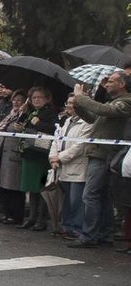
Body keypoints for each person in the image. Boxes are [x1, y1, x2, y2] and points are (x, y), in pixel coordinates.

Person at [70, 70, 131, 248]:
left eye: (111, 81)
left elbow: (104, 111)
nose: (107, 84)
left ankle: (88, 235)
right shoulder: (112, 101)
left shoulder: (126, 101)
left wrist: (81, 97)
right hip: (99, 153)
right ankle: (104, 234)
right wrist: (79, 105)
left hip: (107, 154)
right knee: (102, 196)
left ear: (122, 84)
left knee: (90, 195)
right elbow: (94, 118)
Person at [49, 94, 92, 239]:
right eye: (68, 103)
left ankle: (77, 228)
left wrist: (60, 157)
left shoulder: (87, 123)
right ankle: (67, 226)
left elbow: (80, 146)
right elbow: (57, 140)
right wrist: (53, 157)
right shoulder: (66, 121)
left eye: (73, 103)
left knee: (76, 200)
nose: (69, 106)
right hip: (63, 167)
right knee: (66, 200)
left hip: (78, 167)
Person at [17, 87, 57, 231]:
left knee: (41, 188)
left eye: (40, 97)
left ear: (47, 98)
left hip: (41, 155)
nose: (36, 100)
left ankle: (41, 219)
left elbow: (53, 129)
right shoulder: (31, 112)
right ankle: (31, 217)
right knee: (31, 188)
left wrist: (37, 123)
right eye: (34, 98)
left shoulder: (50, 112)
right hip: (29, 153)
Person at [0, 90, 29, 225]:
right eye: (14, 100)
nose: (16, 102)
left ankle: (16, 215)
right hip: (3, 155)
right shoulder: (10, 115)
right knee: (3, 187)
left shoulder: (24, 116)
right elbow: (1, 130)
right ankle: (7, 213)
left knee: (14, 188)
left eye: (19, 100)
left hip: (14, 156)